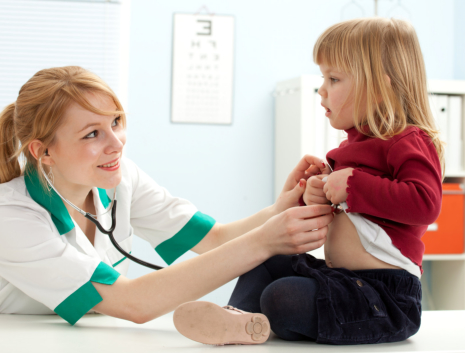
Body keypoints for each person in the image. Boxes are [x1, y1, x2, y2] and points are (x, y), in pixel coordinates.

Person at [0, 66, 334, 326]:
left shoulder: (120, 179)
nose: (115, 143)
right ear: (43, 152)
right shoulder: (8, 215)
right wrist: (267, 240)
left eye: (115, 122)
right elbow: (133, 302)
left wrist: (281, 208)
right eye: (92, 134)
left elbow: (213, 239)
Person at [173, 17, 443, 345]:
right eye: (322, 78)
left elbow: (425, 204)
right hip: (342, 282)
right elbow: (344, 217)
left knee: (283, 297)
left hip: (386, 295)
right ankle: (238, 318)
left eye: (334, 78)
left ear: (381, 86)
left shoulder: (410, 141)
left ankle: (265, 319)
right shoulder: (347, 150)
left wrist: (354, 186)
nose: (322, 90)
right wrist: (317, 194)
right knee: (268, 259)